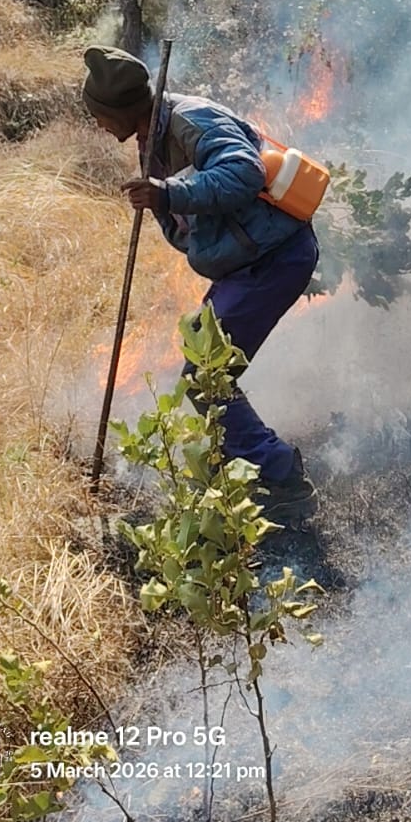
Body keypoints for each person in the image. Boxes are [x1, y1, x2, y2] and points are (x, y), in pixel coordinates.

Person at [82, 44, 319, 525]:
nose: (100, 127)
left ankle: (283, 479)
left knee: (206, 375)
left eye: (100, 116)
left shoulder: (191, 121)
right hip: (247, 263)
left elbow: (244, 172)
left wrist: (169, 193)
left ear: (123, 108)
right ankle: (245, 467)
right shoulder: (151, 134)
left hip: (275, 258)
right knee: (203, 364)